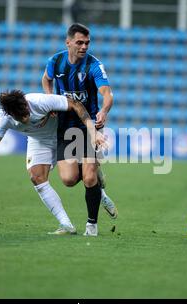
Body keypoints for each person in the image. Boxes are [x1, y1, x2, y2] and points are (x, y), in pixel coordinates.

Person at [0, 90, 107, 236]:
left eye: (26, 113)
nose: (25, 119)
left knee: (70, 179)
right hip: (39, 141)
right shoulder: (4, 119)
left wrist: (92, 130)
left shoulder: (40, 101)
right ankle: (66, 224)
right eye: (20, 117)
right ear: (11, 114)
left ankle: (93, 180)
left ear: (26, 104)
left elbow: (75, 103)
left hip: (61, 134)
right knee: (36, 176)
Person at [42, 23, 117, 237]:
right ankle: (100, 193)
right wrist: (50, 99)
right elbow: (45, 80)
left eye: (87, 43)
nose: (84, 46)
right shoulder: (55, 62)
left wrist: (103, 111)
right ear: (68, 43)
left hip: (89, 126)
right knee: (68, 179)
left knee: (90, 177)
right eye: (79, 42)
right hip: (65, 127)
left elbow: (107, 94)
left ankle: (91, 226)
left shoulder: (93, 65)